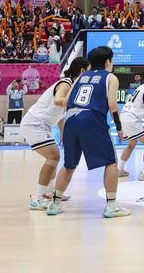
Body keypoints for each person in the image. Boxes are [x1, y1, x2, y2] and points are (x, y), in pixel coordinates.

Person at [46, 46, 130, 218]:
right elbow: (112, 105)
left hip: (70, 119)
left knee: (69, 164)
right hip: (92, 119)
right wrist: (119, 127)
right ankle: (112, 205)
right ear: (108, 61)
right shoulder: (111, 77)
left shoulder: (81, 77)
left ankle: (54, 204)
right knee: (111, 162)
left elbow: (66, 101)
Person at [20, 57, 89, 210]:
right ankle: (37, 198)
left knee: (54, 158)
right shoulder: (66, 83)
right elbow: (58, 100)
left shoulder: (72, 86)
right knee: (53, 157)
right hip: (34, 123)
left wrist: (63, 135)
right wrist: (75, 103)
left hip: (42, 125)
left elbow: (60, 116)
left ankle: (48, 192)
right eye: (89, 71)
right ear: (82, 71)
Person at [116, 66, 144, 181]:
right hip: (131, 119)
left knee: (131, 144)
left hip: (124, 116)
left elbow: (142, 101)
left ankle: (119, 169)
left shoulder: (142, 87)